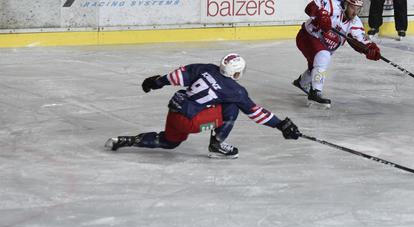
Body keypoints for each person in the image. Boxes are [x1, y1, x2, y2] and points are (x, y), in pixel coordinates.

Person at [105, 53, 301, 158]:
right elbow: (256, 113)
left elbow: (176, 76)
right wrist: (280, 124)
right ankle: (217, 145)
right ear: (237, 73)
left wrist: (155, 82)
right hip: (191, 121)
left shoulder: (205, 68)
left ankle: (124, 140)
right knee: (231, 108)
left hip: (174, 110)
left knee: (169, 142)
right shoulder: (236, 90)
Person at [293, 0, 380, 108]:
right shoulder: (331, 5)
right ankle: (315, 93)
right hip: (307, 37)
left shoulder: (355, 23)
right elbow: (310, 7)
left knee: (317, 66)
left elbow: (359, 41)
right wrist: (321, 15)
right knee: (323, 56)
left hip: (323, 46)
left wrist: (369, 48)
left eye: (358, 9)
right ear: (345, 4)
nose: (355, 12)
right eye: (353, 8)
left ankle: (302, 82)